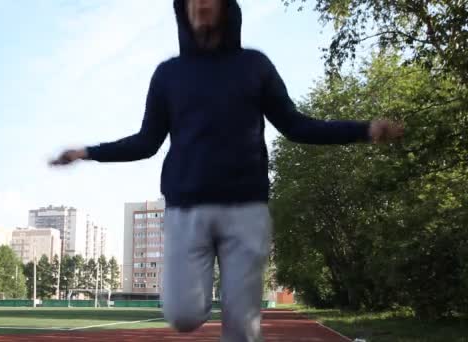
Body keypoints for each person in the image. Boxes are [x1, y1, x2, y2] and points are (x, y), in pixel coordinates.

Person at [49, 0, 403, 340]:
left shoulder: (255, 66)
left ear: (225, 7)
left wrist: (363, 130)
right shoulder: (168, 75)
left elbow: (297, 126)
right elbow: (146, 142)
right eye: (192, 0)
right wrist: (87, 152)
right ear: (183, 10)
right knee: (183, 314)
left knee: (242, 331)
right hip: (186, 211)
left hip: (246, 210)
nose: (200, 5)